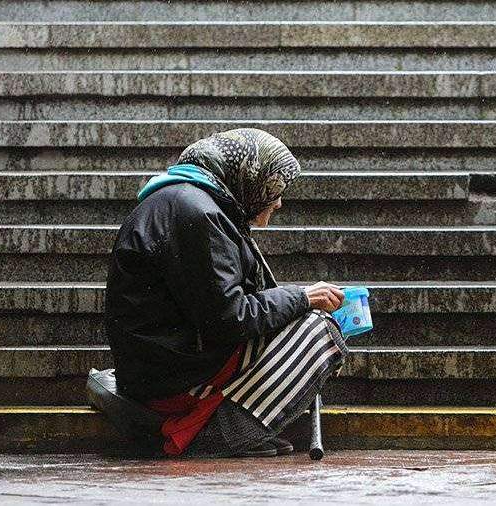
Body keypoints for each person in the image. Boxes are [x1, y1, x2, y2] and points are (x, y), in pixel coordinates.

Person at [104, 128, 348, 458]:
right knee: (321, 333)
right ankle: (212, 434)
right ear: (250, 177)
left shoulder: (189, 203)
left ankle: (232, 427)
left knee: (302, 318)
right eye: (274, 188)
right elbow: (230, 318)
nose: (278, 201)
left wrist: (298, 302)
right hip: (171, 378)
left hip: (165, 366)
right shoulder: (195, 211)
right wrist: (302, 297)